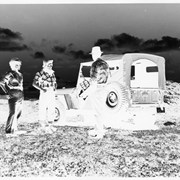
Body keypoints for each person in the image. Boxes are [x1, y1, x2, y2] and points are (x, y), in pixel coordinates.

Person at [79, 46, 111, 139]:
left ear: (95, 54)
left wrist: (84, 94)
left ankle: (99, 133)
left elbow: (93, 82)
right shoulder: (105, 64)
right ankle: (99, 129)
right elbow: (109, 77)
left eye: (93, 54)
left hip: (97, 90)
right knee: (101, 110)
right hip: (105, 88)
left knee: (97, 112)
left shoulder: (95, 64)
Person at [0, 57, 26, 136]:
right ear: (11, 65)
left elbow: (21, 85)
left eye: (19, 64)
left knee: (18, 112)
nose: (18, 66)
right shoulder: (9, 73)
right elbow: (1, 83)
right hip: (13, 93)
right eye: (16, 64)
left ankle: (15, 129)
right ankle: (8, 131)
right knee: (13, 112)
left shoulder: (20, 74)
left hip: (20, 94)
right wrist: (7, 92)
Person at [32, 59, 57, 133]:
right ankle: (42, 127)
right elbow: (34, 83)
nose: (51, 65)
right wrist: (42, 89)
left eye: (51, 64)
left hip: (51, 92)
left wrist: (54, 88)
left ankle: (50, 127)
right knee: (42, 108)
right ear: (45, 64)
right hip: (44, 92)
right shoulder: (40, 73)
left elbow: (54, 82)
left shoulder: (52, 73)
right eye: (49, 64)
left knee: (51, 108)